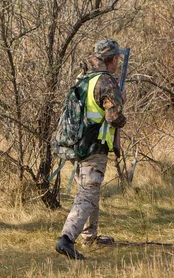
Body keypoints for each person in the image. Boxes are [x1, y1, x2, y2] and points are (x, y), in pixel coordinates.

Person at [55, 39, 127, 260]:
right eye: (117, 59)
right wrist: (121, 106)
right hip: (94, 146)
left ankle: (90, 236)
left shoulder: (84, 79)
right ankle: (66, 238)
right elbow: (113, 118)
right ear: (113, 59)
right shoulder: (106, 82)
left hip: (78, 144)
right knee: (89, 192)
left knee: (88, 188)